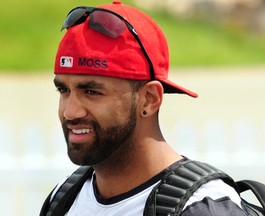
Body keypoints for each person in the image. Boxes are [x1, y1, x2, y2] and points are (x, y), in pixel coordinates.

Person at [41, 1, 249, 215]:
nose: (70, 112)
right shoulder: (65, 197)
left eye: (92, 92)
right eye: (63, 91)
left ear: (149, 99)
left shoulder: (201, 207)